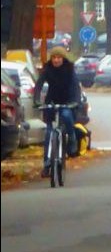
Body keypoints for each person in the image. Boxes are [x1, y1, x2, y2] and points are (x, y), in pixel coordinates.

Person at [34, 46, 82, 174]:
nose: (56, 60)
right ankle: (47, 164)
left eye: (59, 57)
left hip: (68, 101)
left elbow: (76, 87)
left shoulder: (69, 69)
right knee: (49, 133)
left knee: (66, 115)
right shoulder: (47, 69)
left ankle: (71, 137)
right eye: (54, 57)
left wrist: (75, 101)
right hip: (52, 101)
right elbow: (39, 85)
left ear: (63, 58)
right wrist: (36, 100)